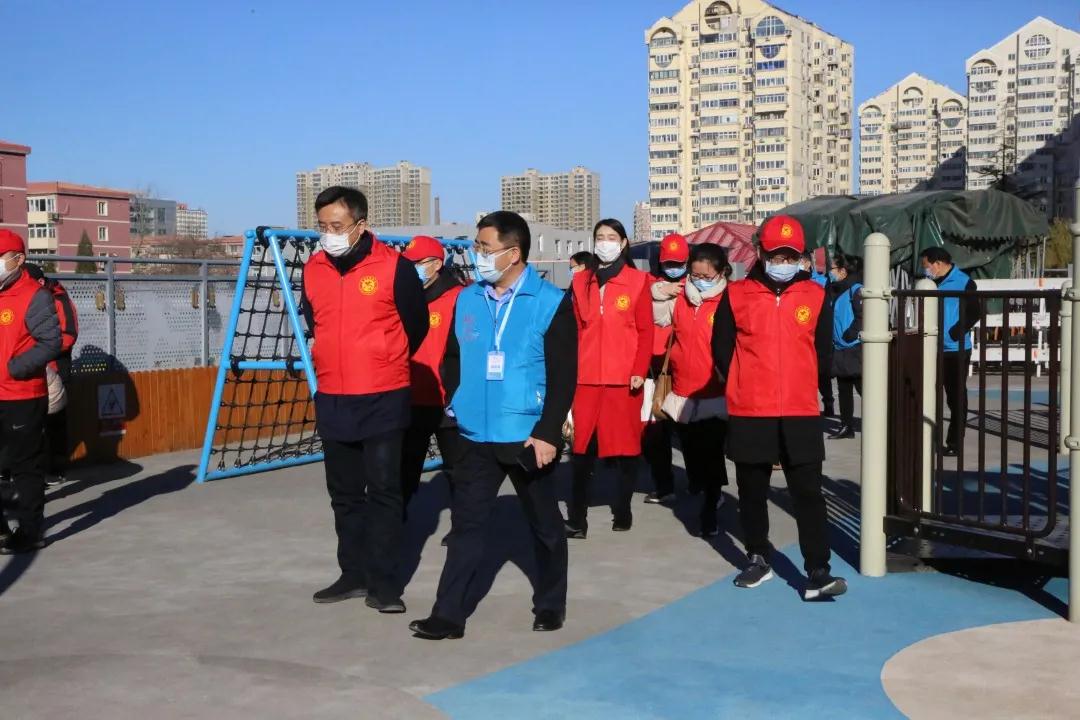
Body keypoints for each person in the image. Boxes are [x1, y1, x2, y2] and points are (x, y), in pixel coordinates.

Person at [409, 211, 576, 640]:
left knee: (545, 526)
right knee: (466, 526)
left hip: (526, 435)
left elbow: (563, 376)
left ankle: (550, 603)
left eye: (485, 248)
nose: (477, 254)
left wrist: (548, 432)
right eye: (476, 246)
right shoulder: (468, 298)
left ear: (513, 253)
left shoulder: (550, 302)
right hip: (474, 434)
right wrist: (456, 401)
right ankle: (448, 615)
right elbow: (452, 356)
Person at [300, 187, 429, 613]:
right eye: (322, 226)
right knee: (344, 494)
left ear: (361, 225)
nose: (329, 233)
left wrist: (380, 357)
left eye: (337, 225)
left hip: (383, 394)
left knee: (385, 492)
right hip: (333, 395)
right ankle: (352, 574)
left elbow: (416, 326)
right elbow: (314, 321)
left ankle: (384, 583)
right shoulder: (313, 269)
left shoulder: (395, 268)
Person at [712, 215, 846, 600]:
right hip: (751, 409)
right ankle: (757, 557)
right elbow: (721, 348)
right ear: (760, 252)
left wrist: (803, 382)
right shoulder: (736, 295)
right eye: (776, 255)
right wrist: (744, 381)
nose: (783, 263)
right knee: (751, 489)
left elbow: (823, 352)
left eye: (790, 256)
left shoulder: (816, 296)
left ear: (801, 256)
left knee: (808, 492)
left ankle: (817, 570)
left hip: (800, 410)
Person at [565, 219, 653, 537]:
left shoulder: (638, 281)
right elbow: (575, 329)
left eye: (612, 237)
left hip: (623, 379)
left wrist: (638, 371)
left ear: (624, 242)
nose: (605, 242)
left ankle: (623, 509)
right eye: (600, 237)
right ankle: (577, 519)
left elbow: (645, 331)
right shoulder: (581, 282)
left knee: (626, 449)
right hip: (586, 378)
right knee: (581, 450)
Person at [657, 243, 731, 536]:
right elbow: (654, 316)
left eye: (706, 276)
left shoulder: (728, 301)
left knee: (712, 451)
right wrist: (659, 292)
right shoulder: (680, 299)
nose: (699, 280)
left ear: (721, 273)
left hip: (715, 389)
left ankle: (711, 506)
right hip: (683, 388)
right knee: (691, 448)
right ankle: (702, 486)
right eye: (695, 274)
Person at [399, 235, 466, 544]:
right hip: (411, 395)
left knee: (457, 469)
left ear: (437, 264)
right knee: (404, 466)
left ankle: (463, 526)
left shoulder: (459, 298)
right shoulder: (405, 297)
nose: (412, 269)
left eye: (418, 263)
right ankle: (393, 520)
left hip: (447, 399)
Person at [0, 230, 62, 555]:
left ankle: (30, 532)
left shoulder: (34, 296)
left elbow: (51, 342)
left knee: (25, 467)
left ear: (18, 260)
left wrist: (14, 368)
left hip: (22, 395)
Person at [919, 247, 979, 456]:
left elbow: (975, 312)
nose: (925, 270)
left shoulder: (964, 282)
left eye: (926, 266)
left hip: (956, 349)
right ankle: (927, 439)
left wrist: (954, 333)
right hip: (932, 348)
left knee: (955, 397)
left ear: (937, 263)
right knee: (928, 394)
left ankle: (954, 443)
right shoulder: (930, 283)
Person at [643, 233, 689, 505]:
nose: (673, 268)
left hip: (685, 368)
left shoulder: (695, 286)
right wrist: (659, 291)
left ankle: (704, 486)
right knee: (656, 433)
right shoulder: (647, 285)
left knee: (690, 432)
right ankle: (664, 485)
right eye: (668, 263)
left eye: (678, 263)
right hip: (653, 369)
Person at [24, 263, 78, 484]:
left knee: (55, 421)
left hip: (55, 366)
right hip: (32, 365)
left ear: (39, 282)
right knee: (30, 422)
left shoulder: (58, 299)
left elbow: (68, 334)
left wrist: (41, 351)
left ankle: (55, 469)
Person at [828, 254, 863, 440]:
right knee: (843, 389)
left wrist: (851, 333)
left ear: (843, 271)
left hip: (853, 346)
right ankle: (846, 425)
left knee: (863, 387)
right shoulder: (834, 289)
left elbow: (863, 315)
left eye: (832, 268)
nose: (830, 272)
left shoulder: (856, 290)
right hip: (840, 346)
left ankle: (882, 423)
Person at [802, 253, 834, 416]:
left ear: (808, 263)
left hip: (819, 331)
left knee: (822, 374)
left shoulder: (821, 282)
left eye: (801, 261)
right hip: (804, 331)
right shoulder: (796, 281)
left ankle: (828, 401)